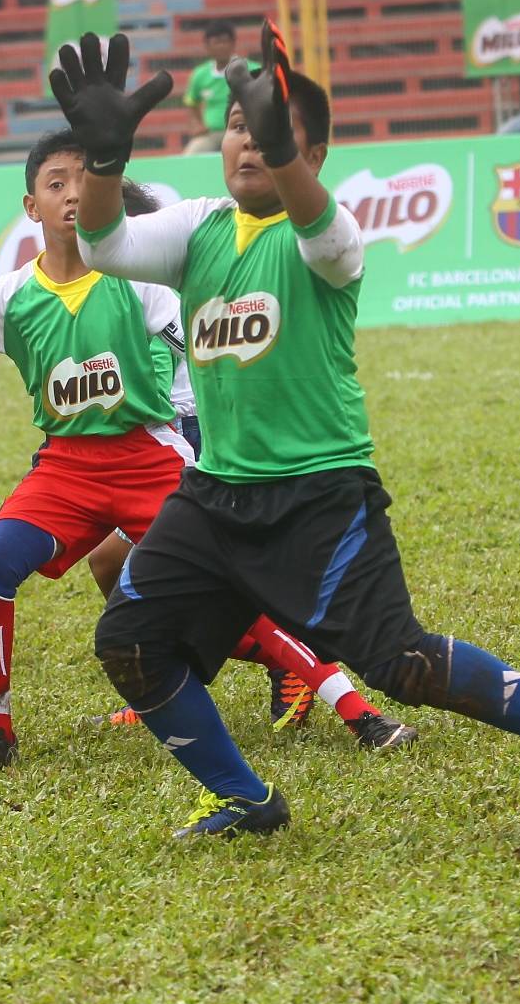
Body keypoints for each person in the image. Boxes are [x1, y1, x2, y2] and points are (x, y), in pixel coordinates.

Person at [49, 27, 520, 840]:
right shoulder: (196, 228)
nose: (247, 140)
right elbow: (103, 242)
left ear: (317, 153)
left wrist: (283, 151)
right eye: (237, 125)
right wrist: (103, 160)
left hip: (318, 498)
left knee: (402, 664)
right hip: (215, 498)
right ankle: (244, 798)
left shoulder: (328, 241)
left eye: (269, 130)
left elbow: (322, 231)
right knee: (129, 642)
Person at [0, 130, 413, 775]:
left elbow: (207, 334)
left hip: (152, 459)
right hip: (66, 467)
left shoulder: (140, 279)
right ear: (31, 206)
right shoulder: (8, 297)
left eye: (83, 182)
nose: (70, 195)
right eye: (55, 184)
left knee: (227, 596)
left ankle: (357, 711)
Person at [84, 180, 404, 748]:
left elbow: (191, 341)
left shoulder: (151, 281)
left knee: (243, 581)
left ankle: (340, 698)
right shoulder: (81, 285)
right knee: (113, 565)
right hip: (150, 441)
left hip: (188, 432)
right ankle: (158, 680)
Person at [180, 22, 245, 155]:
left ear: (233, 44)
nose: (221, 46)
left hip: (244, 130)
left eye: (225, 41)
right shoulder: (200, 74)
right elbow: (191, 102)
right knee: (189, 157)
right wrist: (198, 124)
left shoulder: (250, 69)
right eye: (216, 42)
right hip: (212, 134)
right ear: (207, 46)